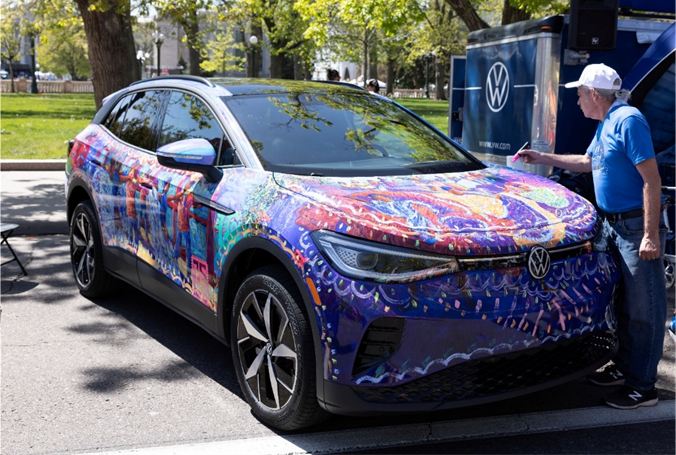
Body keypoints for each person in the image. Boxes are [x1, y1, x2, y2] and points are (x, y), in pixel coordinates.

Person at [518, 63, 667, 410]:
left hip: (633, 228)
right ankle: (627, 369)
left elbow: (652, 180)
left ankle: (643, 388)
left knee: (645, 310)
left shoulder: (628, 120)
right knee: (624, 306)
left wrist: (649, 235)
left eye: (580, 94)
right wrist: (542, 157)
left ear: (595, 95)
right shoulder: (606, 123)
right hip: (612, 226)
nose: (577, 101)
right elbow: (588, 161)